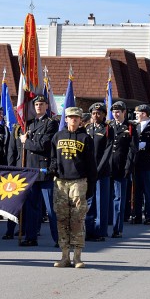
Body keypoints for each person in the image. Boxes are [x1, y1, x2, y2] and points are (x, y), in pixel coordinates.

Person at [49, 106, 97, 268]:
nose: (74, 120)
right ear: (66, 119)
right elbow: (53, 157)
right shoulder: (58, 136)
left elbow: (91, 164)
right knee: (62, 219)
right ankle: (64, 256)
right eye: (71, 117)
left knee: (77, 219)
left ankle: (77, 257)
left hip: (79, 182)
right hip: (61, 182)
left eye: (77, 117)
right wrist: (53, 167)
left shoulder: (85, 138)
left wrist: (91, 186)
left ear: (80, 120)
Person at [19, 95, 58, 246]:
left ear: (47, 106)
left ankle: (58, 239)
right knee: (31, 207)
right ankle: (31, 237)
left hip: (44, 170)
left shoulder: (51, 124)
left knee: (51, 209)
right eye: (36, 104)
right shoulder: (29, 124)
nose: (39, 107)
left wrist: (26, 141)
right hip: (30, 170)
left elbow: (43, 146)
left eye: (41, 104)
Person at [85, 102, 114, 242]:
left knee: (101, 202)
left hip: (101, 172)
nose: (96, 116)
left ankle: (100, 231)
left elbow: (107, 152)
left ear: (103, 115)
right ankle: (89, 230)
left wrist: (98, 170)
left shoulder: (107, 129)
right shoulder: (87, 128)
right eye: (94, 113)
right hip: (88, 172)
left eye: (99, 113)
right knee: (89, 202)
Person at [108, 101, 136, 238]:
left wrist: (127, 167)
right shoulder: (109, 126)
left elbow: (132, 149)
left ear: (124, 112)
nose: (116, 114)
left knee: (119, 199)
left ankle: (117, 228)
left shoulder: (130, 127)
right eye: (114, 112)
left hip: (121, 167)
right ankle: (104, 226)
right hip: (108, 167)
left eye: (118, 112)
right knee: (107, 198)